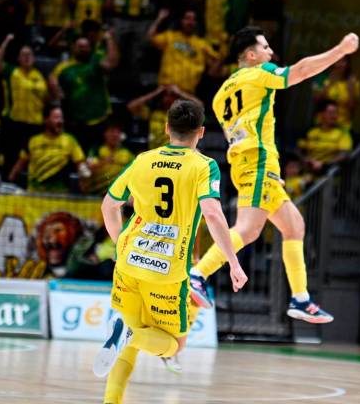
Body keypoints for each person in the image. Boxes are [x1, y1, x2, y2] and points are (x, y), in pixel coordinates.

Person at [188, 25, 359, 323]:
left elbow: (239, 133)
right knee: (248, 229)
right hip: (258, 162)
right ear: (251, 55)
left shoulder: (219, 95)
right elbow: (302, 70)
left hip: (250, 164)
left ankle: (301, 299)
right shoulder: (260, 73)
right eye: (265, 48)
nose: (271, 53)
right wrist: (341, 50)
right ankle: (198, 274)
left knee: (294, 226)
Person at [92, 100, 248, 403]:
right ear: (201, 133)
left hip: (128, 263)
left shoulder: (142, 160)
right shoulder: (204, 165)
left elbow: (109, 205)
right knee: (174, 345)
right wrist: (232, 262)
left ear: (166, 129)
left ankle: (113, 393)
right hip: (166, 272)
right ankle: (129, 335)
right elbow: (213, 214)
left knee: (128, 333)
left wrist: (121, 242)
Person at [48, 32, 119, 151]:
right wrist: (54, 88)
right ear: (73, 48)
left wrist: (109, 38)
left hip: (99, 120)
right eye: (80, 46)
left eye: (86, 47)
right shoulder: (63, 68)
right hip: (76, 123)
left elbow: (112, 62)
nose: (83, 49)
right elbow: (52, 84)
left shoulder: (96, 63)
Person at [0, 33, 48, 177]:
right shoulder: (11, 71)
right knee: (10, 157)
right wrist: (6, 41)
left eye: (29, 55)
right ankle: (7, 183)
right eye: (23, 55)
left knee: (31, 158)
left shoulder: (40, 76)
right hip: (13, 123)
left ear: (34, 58)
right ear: (18, 58)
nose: (27, 57)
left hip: (34, 125)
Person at [8, 106, 91, 193]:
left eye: (61, 118)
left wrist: (85, 181)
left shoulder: (70, 140)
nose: (60, 121)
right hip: (34, 193)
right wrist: (10, 180)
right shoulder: (33, 141)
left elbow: (80, 165)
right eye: (56, 118)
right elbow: (20, 164)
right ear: (46, 120)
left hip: (60, 195)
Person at [147, 7, 219, 94]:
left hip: (187, 93)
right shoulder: (170, 37)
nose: (190, 22)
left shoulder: (202, 44)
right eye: (187, 18)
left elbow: (216, 63)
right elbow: (150, 38)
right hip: (165, 90)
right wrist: (159, 19)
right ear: (181, 21)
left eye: (193, 20)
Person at [126, 84, 203, 149]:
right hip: (155, 152)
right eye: (165, 95)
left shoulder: (182, 113)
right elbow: (131, 106)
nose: (168, 98)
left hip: (177, 150)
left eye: (172, 95)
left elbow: (199, 106)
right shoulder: (153, 113)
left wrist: (179, 92)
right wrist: (156, 92)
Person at [297, 99, 353, 173]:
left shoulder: (342, 133)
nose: (334, 116)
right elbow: (299, 150)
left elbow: (344, 154)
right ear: (320, 114)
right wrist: (306, 160)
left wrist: (324, 164)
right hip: (307, 171)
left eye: (336, 113)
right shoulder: (310, 131)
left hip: (330, 174)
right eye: (330, 113)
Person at [81, 122, 135, 196]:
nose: (115, 135)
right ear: (105, 134)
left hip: (118, 197)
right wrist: (103, 162)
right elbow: (87, 171)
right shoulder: (96, 150)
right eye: (112, 131)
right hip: (96, 195)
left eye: (118, 132)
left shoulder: (127, 153)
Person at [312, 55, 359, 129]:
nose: (340, 64)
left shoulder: (352, 81)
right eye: (337, 60)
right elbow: (316, 100)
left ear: (348, 64)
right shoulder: (322, 77)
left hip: (342, 125)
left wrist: (351, 89)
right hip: (322, 124)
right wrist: (330, 84)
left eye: (343, 61)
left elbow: (353, 108)